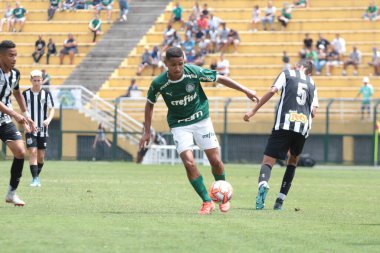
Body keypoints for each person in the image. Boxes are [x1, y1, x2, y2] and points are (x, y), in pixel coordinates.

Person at [139, 47, 259, 215]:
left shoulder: (193, 72)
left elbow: (220, 78)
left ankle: (222, 196)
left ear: (184, 61)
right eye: (173, 65)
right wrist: (146, 132)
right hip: (179, 125)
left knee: (215, 161)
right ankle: (206, 201)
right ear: (166, 64)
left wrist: (246, 90)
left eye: (180, 63)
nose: (178, 68)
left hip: (202, 120)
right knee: (189, 163)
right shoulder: (159, 83)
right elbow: (149, 104)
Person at [244, 60, 319, 210]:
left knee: (268, 160)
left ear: (296, 67)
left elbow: (272, 91)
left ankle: (263, 183)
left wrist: (253, 111)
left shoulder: (287, 74)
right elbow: (314, 112)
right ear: (309, 72)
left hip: (284, 123)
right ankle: (280, 201)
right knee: (292, 162)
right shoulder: (312, 83)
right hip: (302, 128)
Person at [0, 40, 36, 206]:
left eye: (15, 55)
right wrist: (15, 114)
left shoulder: (15, 74)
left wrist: (26, 115)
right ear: (1, 55)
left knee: (21, 152)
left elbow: (17, 93)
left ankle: (11, 194)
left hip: (4, 120)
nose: (14, 58)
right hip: (9, 115)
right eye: (10, 55)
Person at [22, 70, 55, 187]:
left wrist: (49, 120)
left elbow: (52, 109)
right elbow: (22, 111)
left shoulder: (46, 94)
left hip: (43, 130)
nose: (36, 82)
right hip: (30, 129)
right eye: (34, 80)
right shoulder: (25, 94)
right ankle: (35, 179)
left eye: (38, 80)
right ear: (31, 80)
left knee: (41, 156)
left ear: (42, 81)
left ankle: (36, 176)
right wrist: (24, 124)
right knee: (33, 152)